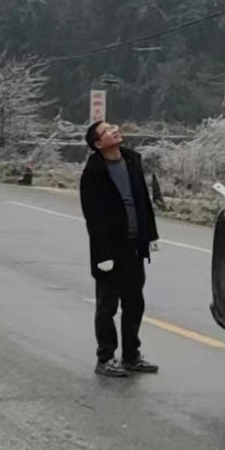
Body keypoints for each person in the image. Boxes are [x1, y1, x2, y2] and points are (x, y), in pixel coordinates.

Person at [79, 119, 160, 378]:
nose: (114, 130)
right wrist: (103, 255)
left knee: (135, 302)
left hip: (134, 245)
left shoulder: (132, 162)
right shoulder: (93, 173)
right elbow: (93, 218)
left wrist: (151, 235)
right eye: (107, 130)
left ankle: (131, 356)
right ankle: (105, 358)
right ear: (98, 143)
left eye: (113, 126)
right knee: (107, 307)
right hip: (110, 250)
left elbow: (143, 202)